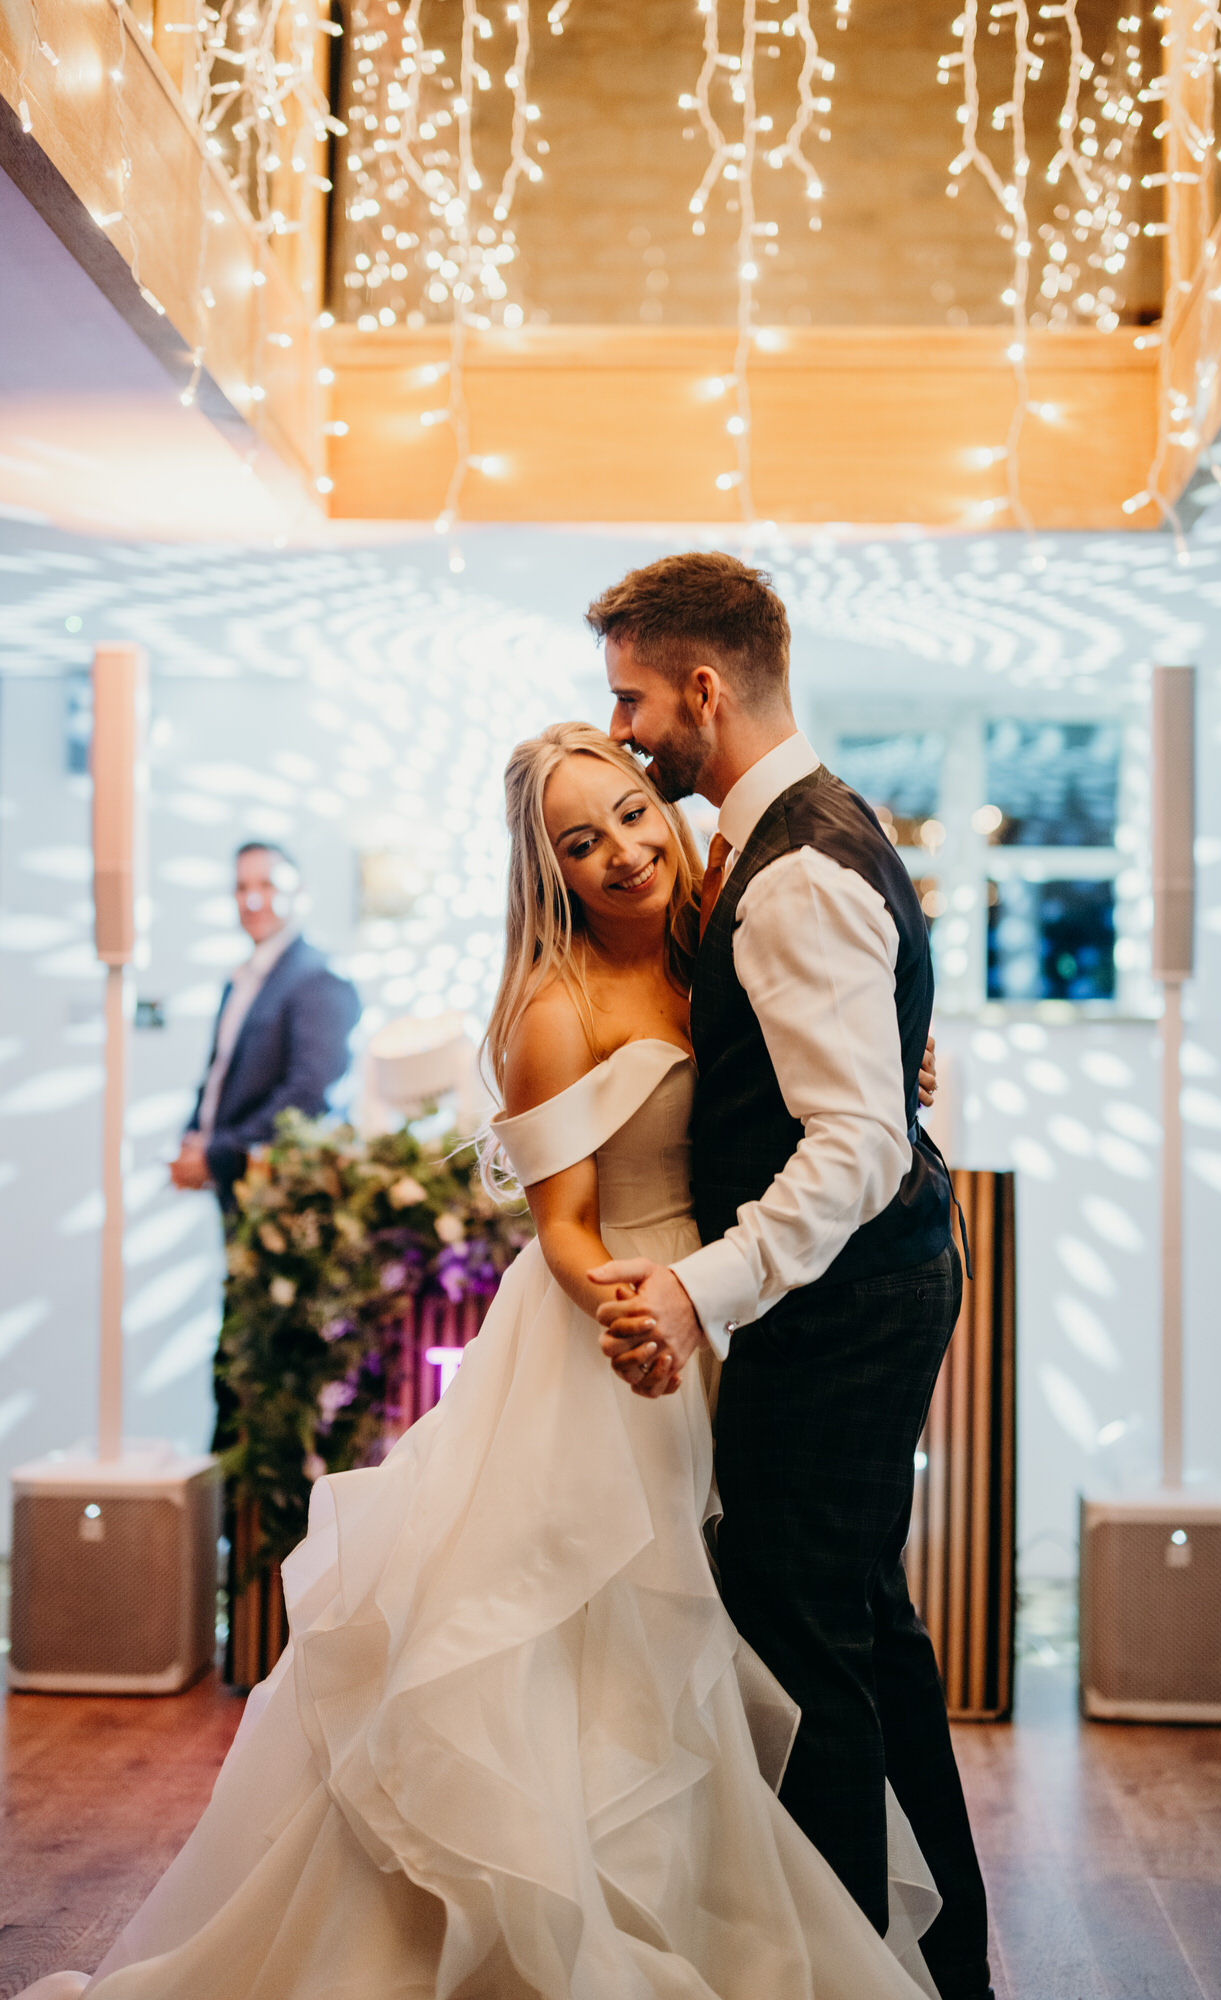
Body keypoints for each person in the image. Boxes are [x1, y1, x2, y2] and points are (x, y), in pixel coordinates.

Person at [18, 726, 941, 2000]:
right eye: (581, 841)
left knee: (739, 1641)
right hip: (616, 1342)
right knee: (598, 1659)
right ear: (547, 868)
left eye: (631, 814)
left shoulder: (715, 943)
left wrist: (899, 1064)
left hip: (732, 1315)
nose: (622, 851)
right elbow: (560, 1226)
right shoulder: (553, 1010)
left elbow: (819, 1061)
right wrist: (637, 1315)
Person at [587, 553, 994, 2000]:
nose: (623, 729)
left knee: (800, 1646)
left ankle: (842, 1976)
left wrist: (702, 1287)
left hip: (841, 1305)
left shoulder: (796, 867)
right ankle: (937, 1969)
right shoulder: (805, 831)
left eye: (632, 698)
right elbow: (862, 1090)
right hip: (862, 1288)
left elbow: (856, 1143)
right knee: (857, 1633)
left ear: (703, 688)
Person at [170, 841, 361, 1214]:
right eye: (242, 888)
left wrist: (217, 1155)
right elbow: (221, 1074)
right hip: (235, 1190)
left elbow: (310, 1095)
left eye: (267, 885)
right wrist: (193, 1139)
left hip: (285, 1196)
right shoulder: (240, 979)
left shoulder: (319, 977)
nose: (252, 900)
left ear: (298, 892)